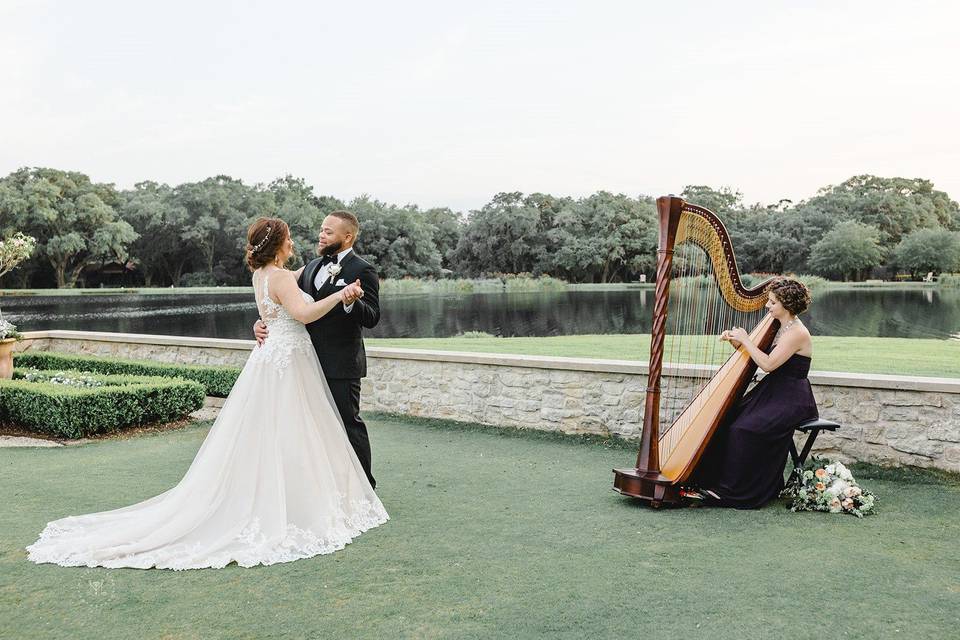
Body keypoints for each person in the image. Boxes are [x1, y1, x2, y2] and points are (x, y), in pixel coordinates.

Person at [26, 218, 388, 569]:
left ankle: (328, 493)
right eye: (289, 237)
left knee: (291, 432)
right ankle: (296, 504)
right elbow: (303, 312)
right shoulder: (278, 275)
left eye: (326, 230)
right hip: (289, 361)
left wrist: (268, 322)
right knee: (295, 431)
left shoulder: (267, 274)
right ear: (278, 244)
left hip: (287, 358)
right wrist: (333, 296)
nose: (299, 241)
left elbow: (282, 302)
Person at [254, 210, 380, 489]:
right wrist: (262, 323)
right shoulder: (310, 267)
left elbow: (372, 317)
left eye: (328, 231)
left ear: (347, 237)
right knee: (313, 428)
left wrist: (350, 301)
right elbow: (281, 302)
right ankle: (326, 487)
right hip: (303, 363)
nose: (321, 235)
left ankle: (364, 488)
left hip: (340, 362)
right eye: (321, 230)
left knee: (348, 424)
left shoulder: (363, 270)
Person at [687, 276, 818, 509]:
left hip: (791, 398)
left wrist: (746, 340)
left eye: (772, 302)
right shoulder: (778, 326)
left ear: (787, 305)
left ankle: (735, 491)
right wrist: (736, 341)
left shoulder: (797, 332)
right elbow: (759, 356)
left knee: (744, 429)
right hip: (772, 391)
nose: (767, 306)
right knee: (727, 419)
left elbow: (767, 364)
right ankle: (711, 481)